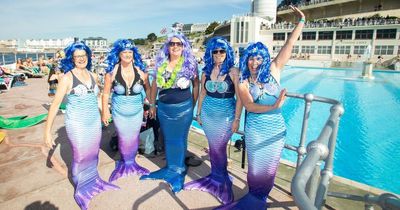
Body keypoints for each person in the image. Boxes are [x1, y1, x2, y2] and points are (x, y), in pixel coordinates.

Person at [216, 5, 304, 210]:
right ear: (246, 60)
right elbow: (249, 105)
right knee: (255, 168)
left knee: (270, 168)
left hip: (276, 130)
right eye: (250, 59)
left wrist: (301, 21)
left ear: (264, 58)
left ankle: (260, 199)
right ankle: (253, 198)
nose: (254, 62)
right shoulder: (243, 81)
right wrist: (274, 105)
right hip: (256, 129)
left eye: (258, 58)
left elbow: (289, 44)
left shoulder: (274, 70)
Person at [44, 41, 118, 210]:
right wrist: (47, 133)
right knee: (80, 156)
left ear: (88, 56)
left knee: (92, 154)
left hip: (93, 122)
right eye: (77, 56)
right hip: (77, 123)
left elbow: (97, 98)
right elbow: (55, 105)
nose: (80, 59)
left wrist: (104, 113)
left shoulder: (92, 75)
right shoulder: (67, 78)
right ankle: (81, 190)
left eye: (83, 55)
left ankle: (93, 181)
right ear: (72, 58)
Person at [183, 37, 242, 204]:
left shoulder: (234, 72)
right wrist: (199, 113)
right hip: (208, 115)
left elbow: (239, 99)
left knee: (219, 148)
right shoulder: (206, 71)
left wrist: (237, 119)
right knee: (213, 147)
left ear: (227, 52)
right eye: (215, 51)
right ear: (211, 53)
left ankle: (220, 180)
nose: (218, 54)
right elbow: (202, 93)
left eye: (221, 51)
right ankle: (217, 176)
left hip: (226, 116)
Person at [140, 32, 199, 193]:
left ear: (183, 46)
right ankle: (170, 168)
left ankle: (178, 171)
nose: (174, 46)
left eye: (178, 44)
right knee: (169, 139)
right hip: (164, 108)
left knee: (179, 140)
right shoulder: (161, 64)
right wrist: (152, 105)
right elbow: (154, 86)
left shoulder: (190, 64)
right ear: (168, 47)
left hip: (183, 108)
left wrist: (192, 106)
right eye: (172, 44)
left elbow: (196, 85)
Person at [101, 39, 150, 182]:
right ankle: (124, 163)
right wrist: (105, 111)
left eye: (130, 52)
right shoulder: (111, 73)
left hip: (136, 112)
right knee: (123, 137)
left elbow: (148, 89)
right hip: (119, 111)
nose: (128, 55)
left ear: (134, 54)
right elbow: (105, 94)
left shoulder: (141, 72)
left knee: (134, 137)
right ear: (119, 54)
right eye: (124, 52)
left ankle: (132, 163)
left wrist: (151, 105)